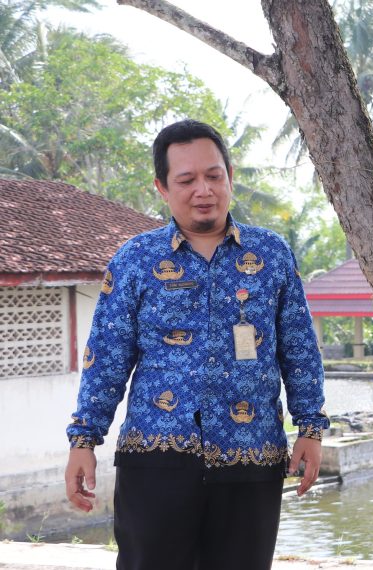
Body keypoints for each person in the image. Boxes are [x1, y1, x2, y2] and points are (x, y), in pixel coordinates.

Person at [64, 119, 329, 570]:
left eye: (213, 175)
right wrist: (84, 440)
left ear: (230, 176)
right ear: (162, 188)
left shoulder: (271, 254)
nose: (202, 189)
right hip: (155, 459)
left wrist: (310, 428)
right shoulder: (136, 259)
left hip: (252, 454)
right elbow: (106, 356)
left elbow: (299, 348)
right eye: (186, 180)